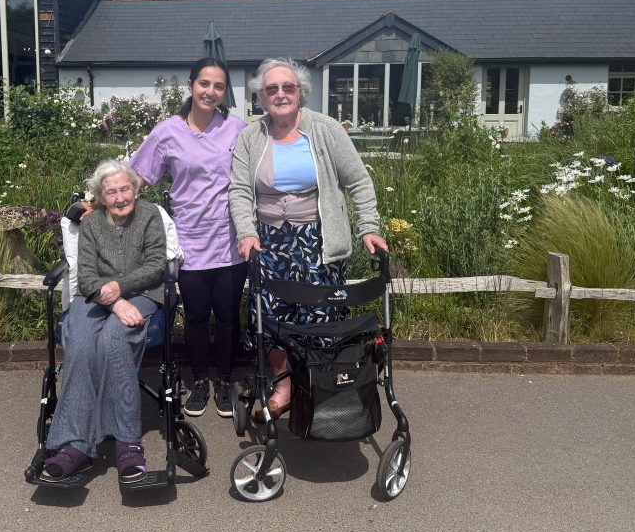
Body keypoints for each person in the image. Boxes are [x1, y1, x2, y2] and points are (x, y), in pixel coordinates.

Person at [228, 58, 387, 420]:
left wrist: (369, 227)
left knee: (320, 313)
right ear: (261, 96)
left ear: (300, 92)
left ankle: (318, 385)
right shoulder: (251, 136)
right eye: (272, 89)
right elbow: (238, 190)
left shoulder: (325, 129)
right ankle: (283, 387)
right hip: (268, 242)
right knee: (271, 316)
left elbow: (358, 181)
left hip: (317, 239)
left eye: (288, 87)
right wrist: (247, 232)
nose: (280, 94)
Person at [130, 58, 247, 419]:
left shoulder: (237, 129)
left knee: (227, 315)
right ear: (191, 85)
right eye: (204, 84)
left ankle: (224, 380)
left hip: (231, 241)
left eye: (218, 86)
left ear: (224, 92)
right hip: (189, 242)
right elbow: (139, 177)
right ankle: (199, 381)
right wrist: (99, 204)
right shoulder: (167, 132)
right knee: (196, 315)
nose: (211, 92)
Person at [40, 159, 166, 485]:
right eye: (112, 192)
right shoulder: (93, 224)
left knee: (114, 339)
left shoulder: (150, 214)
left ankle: (127, 442)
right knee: (80, 342)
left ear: (135, 190)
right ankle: (75, 444)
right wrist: (114, 301)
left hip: (143, 293)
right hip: (94, 297)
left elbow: (156, 266)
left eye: (125, 189)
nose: (120, 197)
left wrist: (121, 290)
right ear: (101, 195)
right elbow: (86, 278)